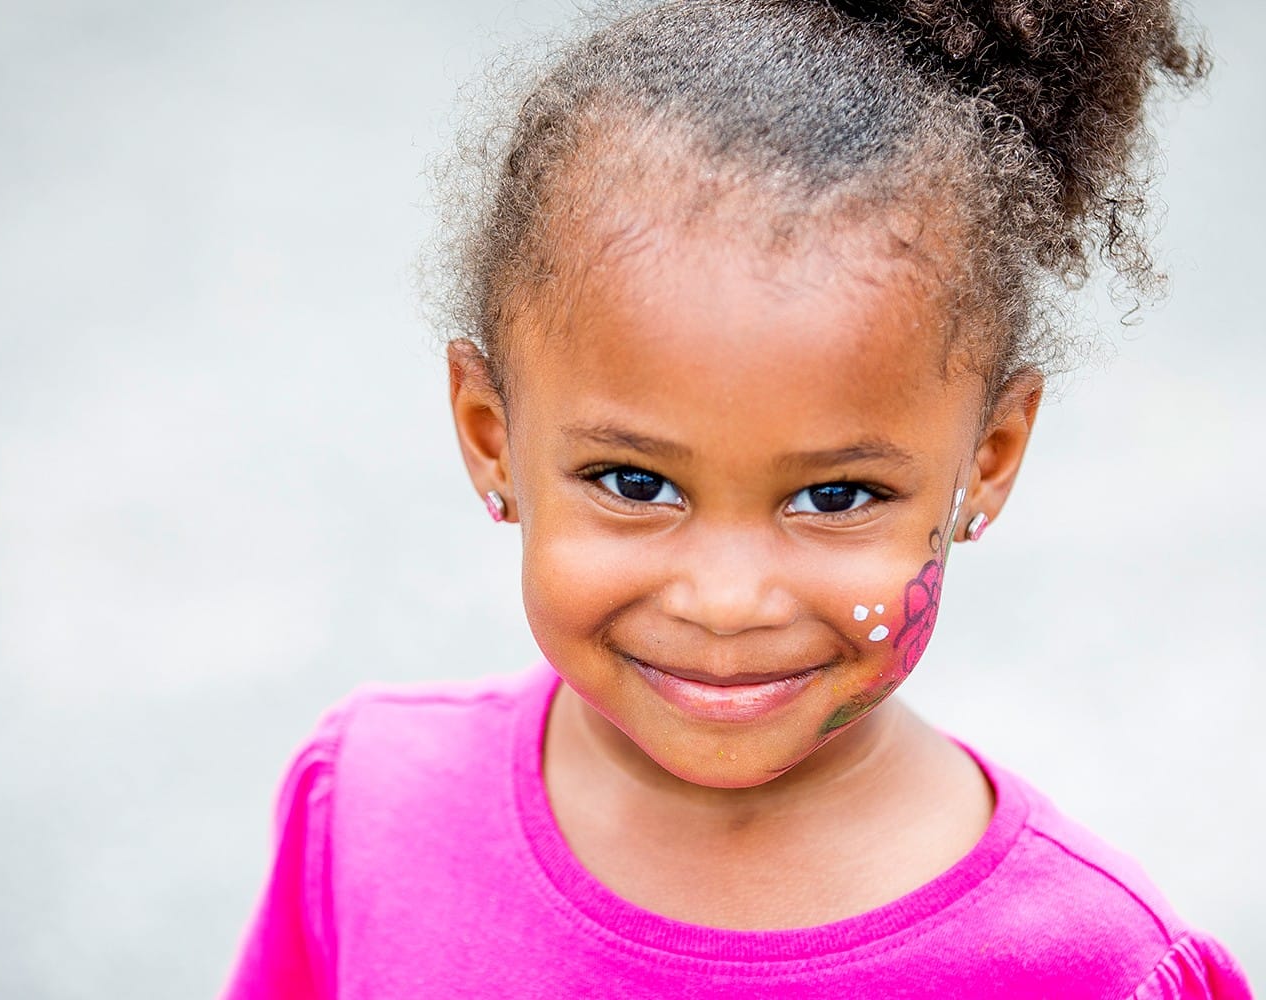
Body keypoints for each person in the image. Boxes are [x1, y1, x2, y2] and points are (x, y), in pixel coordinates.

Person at [223, 1, 1252, 996]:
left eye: (835, 495)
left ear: (987, 458)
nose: (724, 599)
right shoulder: (369, 810)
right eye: (635, 483)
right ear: (491, 437)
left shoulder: (1089, 968)